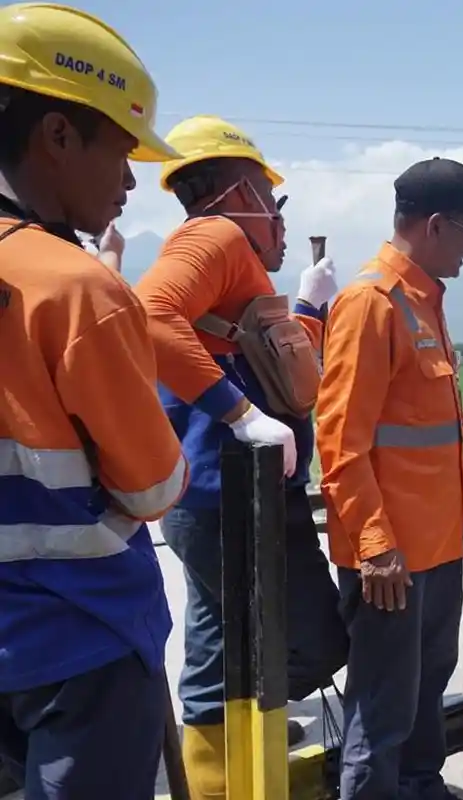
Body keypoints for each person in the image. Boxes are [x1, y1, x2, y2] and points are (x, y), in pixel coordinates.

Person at [0, 4, 189, 796]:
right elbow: (153, 486)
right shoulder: (78, 289)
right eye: (121, 147)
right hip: (85, 640)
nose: (131, 178)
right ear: (58, 135)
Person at [133, 114, 348, 797]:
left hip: (204, 496)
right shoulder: (218, 234)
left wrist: (307, 312)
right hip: (236, 498)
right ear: (237, 192)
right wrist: (243, 416)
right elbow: (151, 314)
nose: (277, 220)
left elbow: (259, 362)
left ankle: (218, 780)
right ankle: (252, 740)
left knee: (214, 648)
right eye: (270, 199)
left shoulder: (229, 260)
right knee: (304, 642)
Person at [318, 157, 463, 799]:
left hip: (432, 549)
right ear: (434, 225)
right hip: (392, 558)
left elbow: (408, 413)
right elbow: (341, 441)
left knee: (425, 689)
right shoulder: (371, 303)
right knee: (383, 707)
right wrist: (375, 547)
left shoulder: (423, 299)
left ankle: (422, 788)